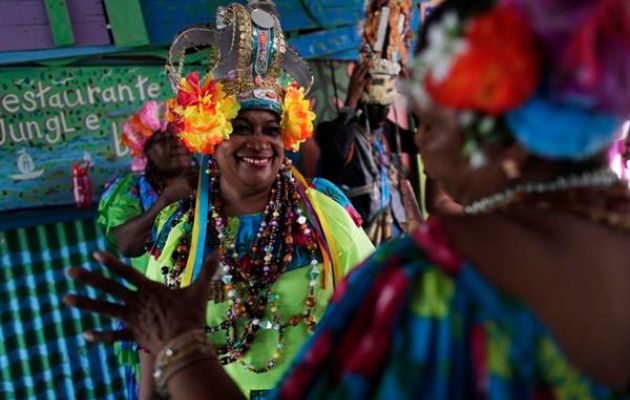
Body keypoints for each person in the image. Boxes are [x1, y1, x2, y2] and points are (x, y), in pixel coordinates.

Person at [65, 0, 630, 398]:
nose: (421, 144)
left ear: (497, 130)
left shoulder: (434, 273)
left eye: (428, 120)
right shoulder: (610, 231)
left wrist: (180, 347)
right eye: (242, 127)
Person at [109, 3, 373, 399]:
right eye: (242, 128)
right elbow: (155, 335)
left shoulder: (322, 215)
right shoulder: (182, 232)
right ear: (212, 139)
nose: (260, 142)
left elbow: (381, 312)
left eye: (271, 130)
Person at [97, 100, 195, 399]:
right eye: (163, 138)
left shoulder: (211, 179)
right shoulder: (128, 190)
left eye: (179, 135)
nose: (174, 142)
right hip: (154, 315)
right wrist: (164, 201)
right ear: (143, 149)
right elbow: (127, 244)